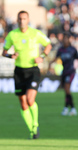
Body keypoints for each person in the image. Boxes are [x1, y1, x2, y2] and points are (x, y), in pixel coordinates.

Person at [2, 10, 52, 139]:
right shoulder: (12, 35)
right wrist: (10, 55)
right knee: (23, 103)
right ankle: (32, 130)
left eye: (24, 19)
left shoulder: (35, 33)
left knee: (30, 100)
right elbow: (4, 52)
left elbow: (48, 45)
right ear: (17, 20)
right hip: (19, 71)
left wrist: (42, 56)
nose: (22, 21)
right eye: (20, 19)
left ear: (28, 20)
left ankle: (35, 124)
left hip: (33, 70)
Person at [49, 34, 78, 116]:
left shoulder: (72, 49)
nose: (65, 41)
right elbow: (56, 58)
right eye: (63, 40)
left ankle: (72, 108)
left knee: (67, 89)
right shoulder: (61, 50)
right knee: (66, 91)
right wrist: (50, 65)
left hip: (71, 72)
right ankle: (67, 108)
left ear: (68, 40)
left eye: (66, 39)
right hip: (64, 72)